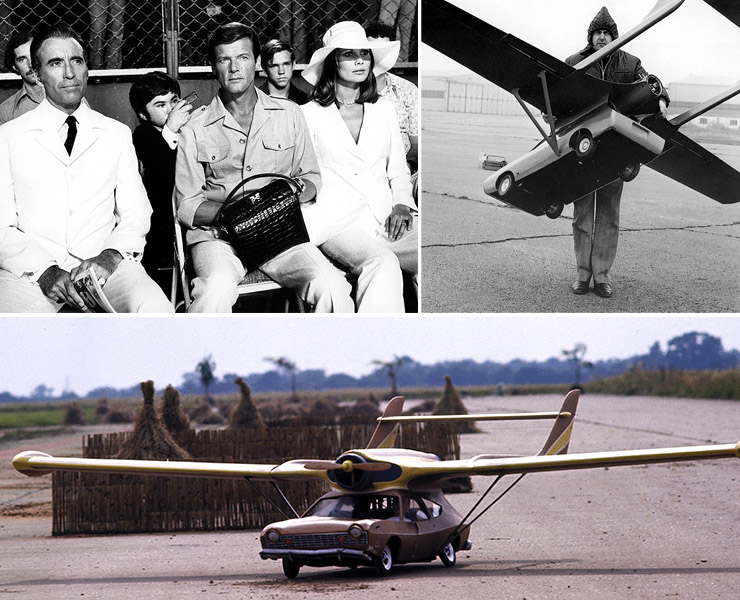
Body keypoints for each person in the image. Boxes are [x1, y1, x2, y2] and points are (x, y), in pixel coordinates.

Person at [174, 22, 354, 313]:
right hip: (219, 239)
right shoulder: (194, 129)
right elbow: (187, 204)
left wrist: (292, 192)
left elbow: (311, 177)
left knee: (331, 285)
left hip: (279, 234)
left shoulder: (290, 114)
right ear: (212, 67)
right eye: (224, 59)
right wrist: (236, 215)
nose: (234, 67)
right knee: (215, 291)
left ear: (257, 62)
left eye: (243, 57)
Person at [0, 25, 174, 313]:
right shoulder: (8, 137)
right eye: (56, 63)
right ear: (37, 73)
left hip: (106, 270)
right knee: (13, 334)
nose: (69, 73)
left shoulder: (116, 133)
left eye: (76, 61)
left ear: (87, 69)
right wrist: (45, 272)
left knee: (155, 310)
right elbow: (1, 225)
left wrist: (109, 256)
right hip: (30, 274)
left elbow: (136, 212)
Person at [300, 21, 418, 312]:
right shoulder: (308, 114)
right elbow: (304, 176)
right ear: (332, 62)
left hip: (386, 215)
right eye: (349, 55)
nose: (360, 61)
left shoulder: (384, 110)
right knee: (382, 262)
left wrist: (402, 204)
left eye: (364, 54)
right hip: (336, 222)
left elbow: (399, 171)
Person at [566, 7, 668, 299]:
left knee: (609, 214)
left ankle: (602, 276)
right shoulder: (574, 62)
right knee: (582, 213)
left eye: (606, 33)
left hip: (616, 151)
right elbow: (553, 96)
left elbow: (652, 87)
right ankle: (582, 275)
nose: (601, 37)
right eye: (597, 33)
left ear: (614, 36)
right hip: (583, 149)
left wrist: (662, 99)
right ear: (590, 36)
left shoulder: (632, 63)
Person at [129, 72, 201, 293]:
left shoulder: (193, 129)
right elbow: (162, 169)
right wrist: (170, 130)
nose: (170, 109)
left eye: (175, 101)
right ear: (143, 114)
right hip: (163, 227)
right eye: (160, 105)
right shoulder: (143, 135)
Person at [363, 20, 418, 173]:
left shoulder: (407, 90)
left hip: (404, 168)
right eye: (373, 49)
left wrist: (408, 166)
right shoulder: (351, 90)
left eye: (384, 49)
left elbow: (417, 142)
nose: (378, 55)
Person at [0, 30, 45, 125]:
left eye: (34, 56)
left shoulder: (70, 94)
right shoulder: (7, 111)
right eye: (22, 59)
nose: (31, 64)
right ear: (15, 66)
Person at [258, 39, 309, 104]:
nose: (281, 71)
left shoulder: (305, 102)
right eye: (274, 66)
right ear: (264, 69)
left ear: (293, 65)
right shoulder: (254, 100)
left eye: (286, 64)